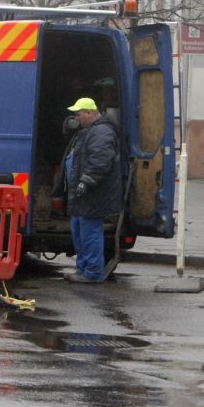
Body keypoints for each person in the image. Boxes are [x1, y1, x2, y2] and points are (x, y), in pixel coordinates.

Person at [64, 97, 122, 283]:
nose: (76, 118)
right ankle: (82, 269)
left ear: (89, 113)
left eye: (78, 114)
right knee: (80, 232)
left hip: (93, 194)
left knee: (89, 233)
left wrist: (86, 182)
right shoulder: (90, 131)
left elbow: (100, 161)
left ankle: (93, 272)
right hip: (86, 194)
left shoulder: (101, 132)